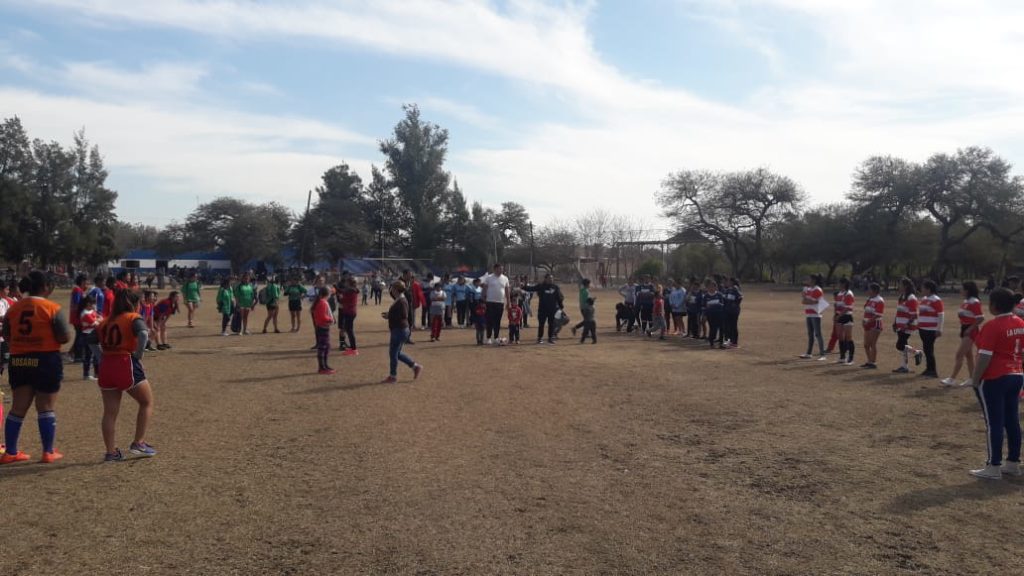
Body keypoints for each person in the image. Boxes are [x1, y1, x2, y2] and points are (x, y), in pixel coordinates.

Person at [1, 271, 71, 464]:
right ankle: (48, 451)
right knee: (46, 407)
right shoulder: (51, 308)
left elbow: (6, 334)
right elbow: (64, 336)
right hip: (45, 358)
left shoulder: (13, 309)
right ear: (45, 287)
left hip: (20, 359)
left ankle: (11, 452)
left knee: (17, 407)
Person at [965, 288, 1024, 480]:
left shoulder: (993, 326)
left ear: (994, 305)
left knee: (994, 423)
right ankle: (1013, 463)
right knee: (1012, 421)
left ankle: (994, 466)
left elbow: (985, 356)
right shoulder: (1020, 323)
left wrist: (975, 378)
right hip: (1016, 373)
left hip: (995, 377)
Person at [97, 290, 157, 462]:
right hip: (125, 363)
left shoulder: (105, 321)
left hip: (107, 365)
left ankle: (110, 452)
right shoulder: (132, 317)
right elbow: (144, 333)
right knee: (146, 402)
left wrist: (100, 356)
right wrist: (138, 355)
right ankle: (138, 442)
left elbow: (91, 340)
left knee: (109, 412)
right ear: (134, 303)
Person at [942, 281, 985, 387]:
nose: (960, 290)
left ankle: (952, 379)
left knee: (959, 354)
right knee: (968, 355)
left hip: (971, 330)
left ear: (967, 290)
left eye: (962, 288)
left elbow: (980, 318)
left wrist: (970, 329)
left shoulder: (974, 302)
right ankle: (972, 378)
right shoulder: (966, 301)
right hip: (965, 328)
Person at [381, 281, 422, 383]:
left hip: (399, 330)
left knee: (393, 353)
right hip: (400, 330)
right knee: (397, 353)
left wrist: (389, 316)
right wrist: (389, 314)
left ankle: (393, 376)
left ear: (395, 289)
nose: (391, 290)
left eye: (393, 288)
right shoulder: (400, 299)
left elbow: (404, 315)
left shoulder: (402, 300)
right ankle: (415, 366)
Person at [892, 277, 924, 374]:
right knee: (903, 345)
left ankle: (917, 353)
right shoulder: (902, 296)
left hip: (907, 326)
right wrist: (895, 322)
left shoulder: (911, 298)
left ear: (905, 286)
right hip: (900, 325)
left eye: (900, 284)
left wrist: (907, 324)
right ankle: (904, 366)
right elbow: (898, 311)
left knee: (900, 345)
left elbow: (914, 314)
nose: (899, 286)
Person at [523, 273, 565, 344]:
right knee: (541, 324)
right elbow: (532, 288)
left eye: (552, 278)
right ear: (545, 279)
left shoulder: (555, 287)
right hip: (542, 309)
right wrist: (524, 287)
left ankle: (550, 338)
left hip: (552, 310)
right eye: (549, 278)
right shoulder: (541, 286)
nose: (551, 279)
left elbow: (559, 298)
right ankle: (540, 338)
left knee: (551, 324)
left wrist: (561, 306)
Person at [917, 280, 944, 378]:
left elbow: (941, 314)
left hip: (931, 329)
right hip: (923, 328)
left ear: (928, 289)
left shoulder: (936, 299)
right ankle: (928, 368)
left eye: (923, 288)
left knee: (929, 349)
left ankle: (933, 371)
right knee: (926, 349)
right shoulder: (924, 299)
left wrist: (939, 328)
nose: (921, 289)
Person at [482, 264, 511, 345]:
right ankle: (488, 338)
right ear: (494, 269)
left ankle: (496, 337)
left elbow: (507, 291)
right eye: (499, 269)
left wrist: (508, 302)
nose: (501, 270)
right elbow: (484, 289)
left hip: (500, 302)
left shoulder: (505, 278)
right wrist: (483, 300)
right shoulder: (489, 278)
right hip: (490, 302)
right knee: (489, 320)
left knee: (497, 321)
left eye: (501, 269)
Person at [800, 274, 827, 360]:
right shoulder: (808, 289)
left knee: (818, 334)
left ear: (814, 280)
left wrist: (805, 299)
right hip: (809, 313)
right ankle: (809, 353)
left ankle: (822, 354)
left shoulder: (817, 289)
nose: (808, 280)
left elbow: (813, 302)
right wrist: (805, 299)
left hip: (815, 314)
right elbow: (804, 301)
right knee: (810, 334)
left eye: (810, 279)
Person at [311, 286, 335, 375]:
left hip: (323, 327)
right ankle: (322, 367)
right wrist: (330, 320)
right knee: (323, 347)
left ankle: (325, 365)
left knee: (326, 346)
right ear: (327, 294)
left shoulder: (322, 302)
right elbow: (322, 316)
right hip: (322, 327)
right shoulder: (322, 302)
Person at [861, 283, 885, 370]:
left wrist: (868, 321)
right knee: (866, 344)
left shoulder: (880, 300)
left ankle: (873, 362)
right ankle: (869, 361)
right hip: (867, 323)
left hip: (875, 323)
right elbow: (866, 311)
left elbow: (878, 315)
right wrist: (864, 320)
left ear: (874, 290)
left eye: (869, 289)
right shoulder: (870, 299)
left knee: (872, 344)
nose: (868, 291)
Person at [833, 278, 856, 365]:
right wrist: (836, 313)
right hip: (840, 316)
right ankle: (842, 357)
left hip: (847, 316)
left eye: (840, 283)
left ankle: (851, 358)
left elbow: (848, 308)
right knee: (840, 336)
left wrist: (839, 315)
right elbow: (838, 306)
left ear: (844, 284)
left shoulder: (848, 293)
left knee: (848, 337)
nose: (838, 284)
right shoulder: (839, 293)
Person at [80, 295, 102, 381]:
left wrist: (97, 319)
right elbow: (96, 323)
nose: (94, 305)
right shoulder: (85, 313)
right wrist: (97, 320)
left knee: (96, 355)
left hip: (94, 334)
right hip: (87, 335)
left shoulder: (91, 311)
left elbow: (100, 318)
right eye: (93, 304)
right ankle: (86, 374)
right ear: (88, 304)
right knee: (88, 355)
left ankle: (97, 373)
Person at [338, 277, 359, 356]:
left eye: (347, 283)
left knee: (349, 331)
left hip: (349, 312)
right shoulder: (352, 290)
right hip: (351, 312)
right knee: (349, 330)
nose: (345, 284)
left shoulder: (350, 291)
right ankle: (352, 348)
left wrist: (340, 297)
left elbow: (343, 300)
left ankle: (354, 349)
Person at [69, 274, 88, 363]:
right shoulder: (77, 290)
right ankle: (77, 356)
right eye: (85, 282)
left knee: (79, 335)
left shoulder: (79, 290)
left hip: (77, 316)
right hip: (77, 317)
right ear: (81, 281)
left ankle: (75, 353)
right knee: (79, 336)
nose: (86, 283)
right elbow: (77, 303)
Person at [704, 281, 726, 348]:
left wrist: (715, 304)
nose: (711, 288)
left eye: (713, 286)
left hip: (719, 314)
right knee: (713, 329)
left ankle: (721, 343)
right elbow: (704, 306)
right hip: (710, 315)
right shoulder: (706, 296)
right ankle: (711, 342)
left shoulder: (719, 295)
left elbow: (722, 304)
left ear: (715, 287)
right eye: (709, 286)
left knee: (721, 328)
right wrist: (704, 314)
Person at [722, 277, 743, 348]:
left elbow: (740, 297)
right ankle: (729, 341)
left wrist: (736, 304)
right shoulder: (728, 290)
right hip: (728, 311)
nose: (728, 283)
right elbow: (724, 298)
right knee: (728, 327)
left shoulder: (735, 288)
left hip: (734, 311)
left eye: (729, 281)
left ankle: (735, 342)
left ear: (732, 282)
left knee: (733, 326)